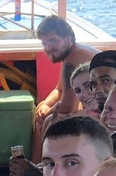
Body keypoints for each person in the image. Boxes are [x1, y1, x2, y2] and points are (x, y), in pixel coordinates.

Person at [31, 15, 99, 162]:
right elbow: (59, 90)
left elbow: (67, 107)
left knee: (50, 120)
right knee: (41, 111)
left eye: (53, 40)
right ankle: (37, 167)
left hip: (105, 110)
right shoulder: (71, 54)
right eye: (44, 43)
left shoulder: (74, 58)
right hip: (94, 103)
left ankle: (39, 171)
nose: (48, 48)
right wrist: (45, 105)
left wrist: (46, 115)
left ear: (68, 39)